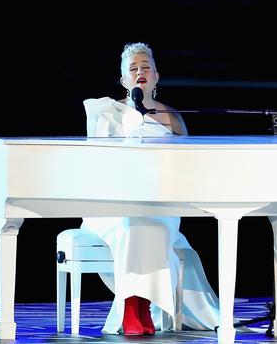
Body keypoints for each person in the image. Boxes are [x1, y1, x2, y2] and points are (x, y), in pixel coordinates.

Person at [80, 42, 220, 335]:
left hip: (159, 203)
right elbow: (96, 164)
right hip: (111, 204)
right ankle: (135, 308)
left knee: (147, 222)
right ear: (123, 81)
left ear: (156, 76)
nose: (140, 72)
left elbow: (186, 168)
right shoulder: (106, 112)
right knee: (131, 222)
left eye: (145, 67)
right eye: (133, 69)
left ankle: (139, 307)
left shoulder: (173, 118)